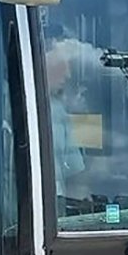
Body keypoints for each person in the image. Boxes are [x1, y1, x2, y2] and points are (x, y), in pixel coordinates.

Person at [45, 40, 87, 200]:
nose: (68, 74)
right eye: (62, 64)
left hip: (57, 210)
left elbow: (76, 174)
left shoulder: (58, 110)